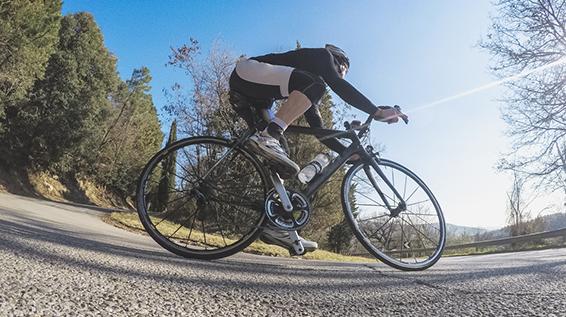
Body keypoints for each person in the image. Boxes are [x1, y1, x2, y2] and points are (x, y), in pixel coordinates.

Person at [229, 44, 408, 253]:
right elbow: (338, 85)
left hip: (255, 96)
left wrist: (345, 153)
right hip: (248, 72)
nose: (341, 75)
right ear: (339, 61)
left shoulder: (308, 87)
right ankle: (270, 135)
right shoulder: (322, 57)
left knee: (278, 156)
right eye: (343, 71)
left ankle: (276, 226)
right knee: (313, 90)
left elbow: (318, 130)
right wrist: (376, 112)